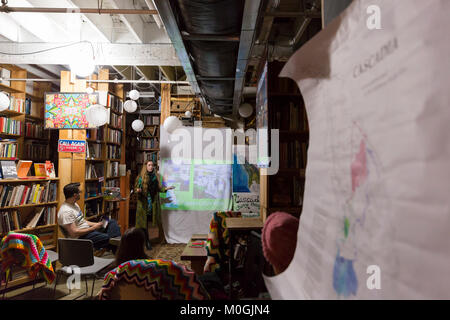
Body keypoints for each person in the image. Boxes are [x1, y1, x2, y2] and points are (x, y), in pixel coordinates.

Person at [58, 183, 122, 252]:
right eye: (80, 192)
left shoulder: (74, 204)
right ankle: (117, 246)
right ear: (75, 195)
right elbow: (74, 233)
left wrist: (96, 224)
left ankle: (115, 243)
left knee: (111, 222)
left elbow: (82, 221)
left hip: (88, 230)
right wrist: (94, 228)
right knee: (108, 238)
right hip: (81, 238)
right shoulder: (66, 211)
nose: (81, 193)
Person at [135, 160, 174, 248]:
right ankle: (147, 241)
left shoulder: (155, 177)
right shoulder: (140, 177)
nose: (151, 167)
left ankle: (146, 240)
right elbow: (136, 188)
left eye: (152, 165)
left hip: (152, 203)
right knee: (143, 224)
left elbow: (158, 189)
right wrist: (138, 190)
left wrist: (166, 188)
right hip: (143, 204)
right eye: (149, 165)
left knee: (150, 222)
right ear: (145, 166)